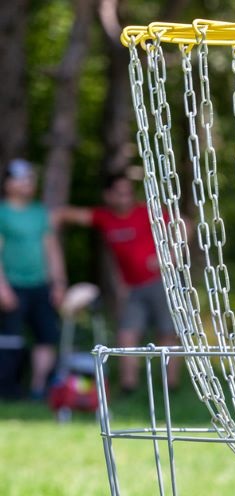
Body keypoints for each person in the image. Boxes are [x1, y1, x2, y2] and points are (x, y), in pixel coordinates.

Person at [56, 173, 179, 392]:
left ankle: (171, 387)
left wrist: (170, 256)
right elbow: (70, 215)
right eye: (120, 193)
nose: (125, 198)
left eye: (129, 193)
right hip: (132, 287)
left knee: (167, 333)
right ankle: (127, 387)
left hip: (162, 282)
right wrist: (48, 217)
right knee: (126, 333)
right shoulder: (105, 217)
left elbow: (183, 225)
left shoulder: (147, 211)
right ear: (109, 195)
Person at [0, 159, 66, 400]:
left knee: (47, 336)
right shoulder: (2, 213)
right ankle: (8, 390)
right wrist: (2, 287)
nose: (28, 182)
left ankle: (38, 389)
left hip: (41, 286)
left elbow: (52, 249)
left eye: (30, 177)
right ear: (8, 183)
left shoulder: (40, 213)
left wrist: (58, 283)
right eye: (21, 178)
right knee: (10, 340)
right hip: (12, 285)